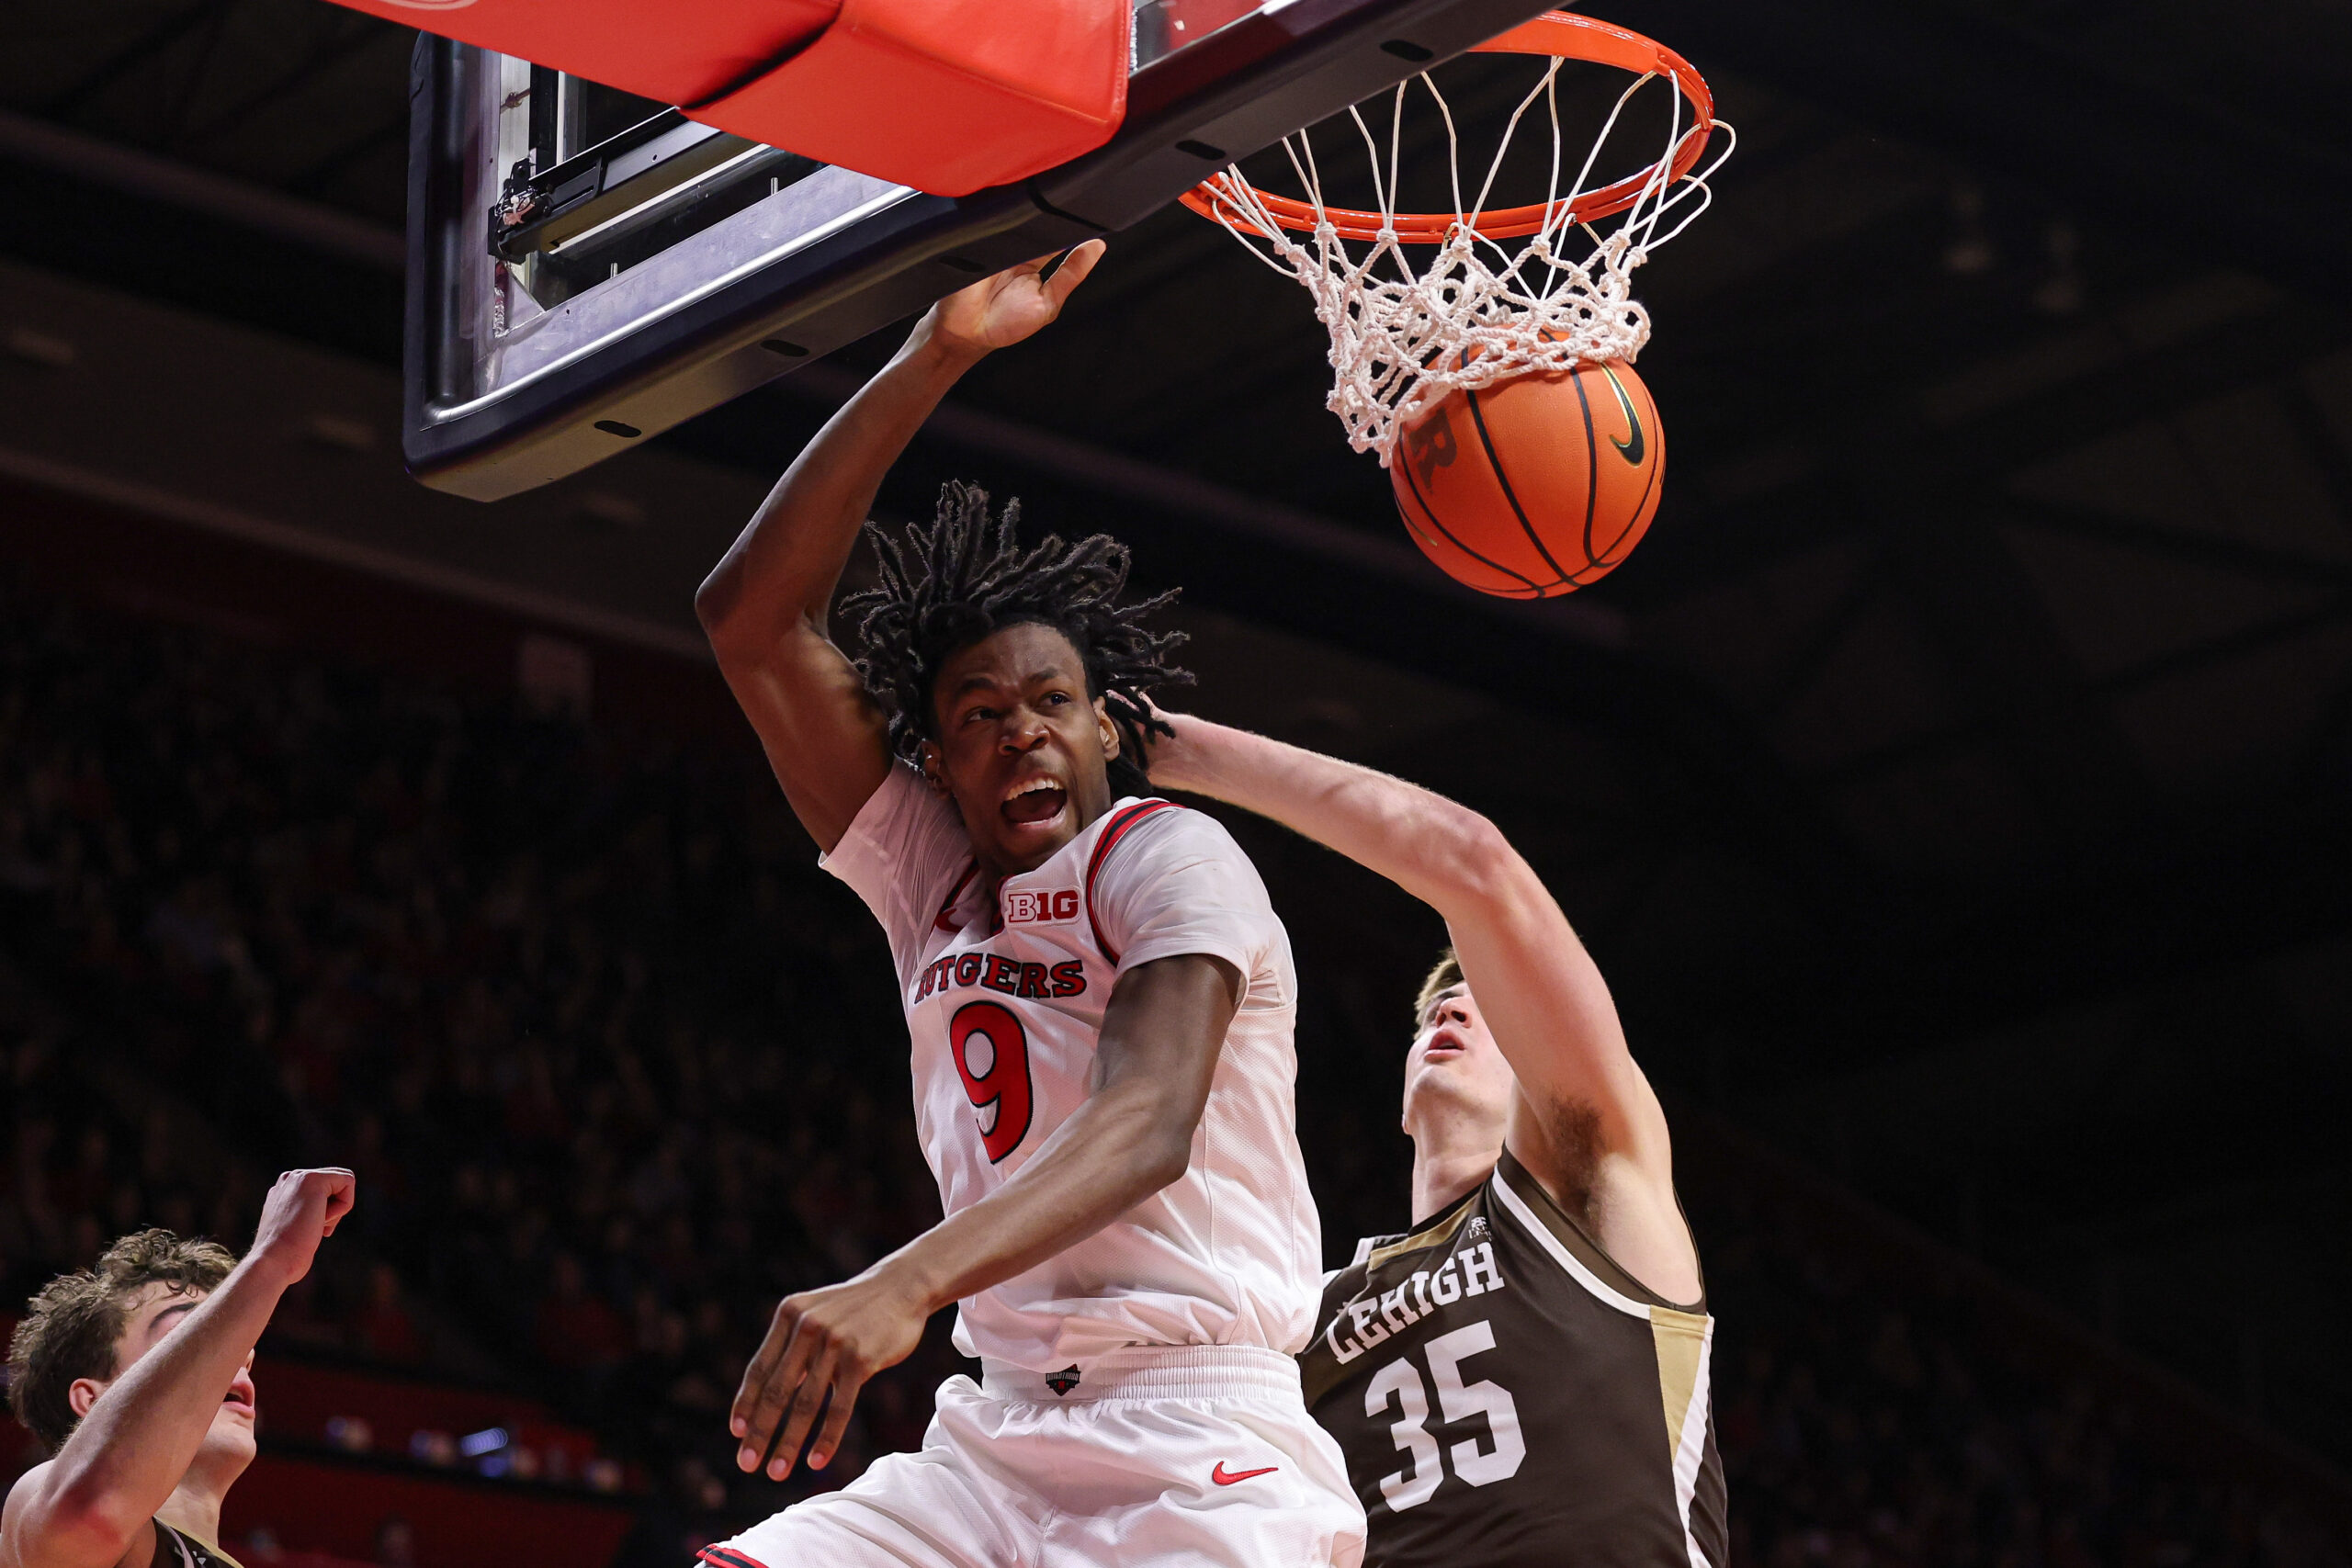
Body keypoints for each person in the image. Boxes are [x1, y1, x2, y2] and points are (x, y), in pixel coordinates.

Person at [692, 243, 1361, 1568]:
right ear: (937, 760)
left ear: (1110, 727)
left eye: (1052, 705)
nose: (1023, 739)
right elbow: (750, 619)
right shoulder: (929, 877)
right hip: (990, 1440)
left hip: (1198, 1429)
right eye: (982, 718)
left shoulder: (1170, 857)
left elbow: (1148, 1121)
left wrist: (904, 1278)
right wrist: (934, 352)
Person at [1145, 712, 1728, 1568]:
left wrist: (1164, 745)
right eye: (1430, 1014)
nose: (1451, 1009)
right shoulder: (1295, 1312)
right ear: (1404, 1105)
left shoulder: (1592, 1198)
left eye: (1484, 1008)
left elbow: (1476, 868)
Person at [2, 1170, 358, 1568]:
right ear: (91, 1396)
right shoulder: (35, 1504)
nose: (240, 1353)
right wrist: (272, 1258)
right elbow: (92, 1513)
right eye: (188, 1329)